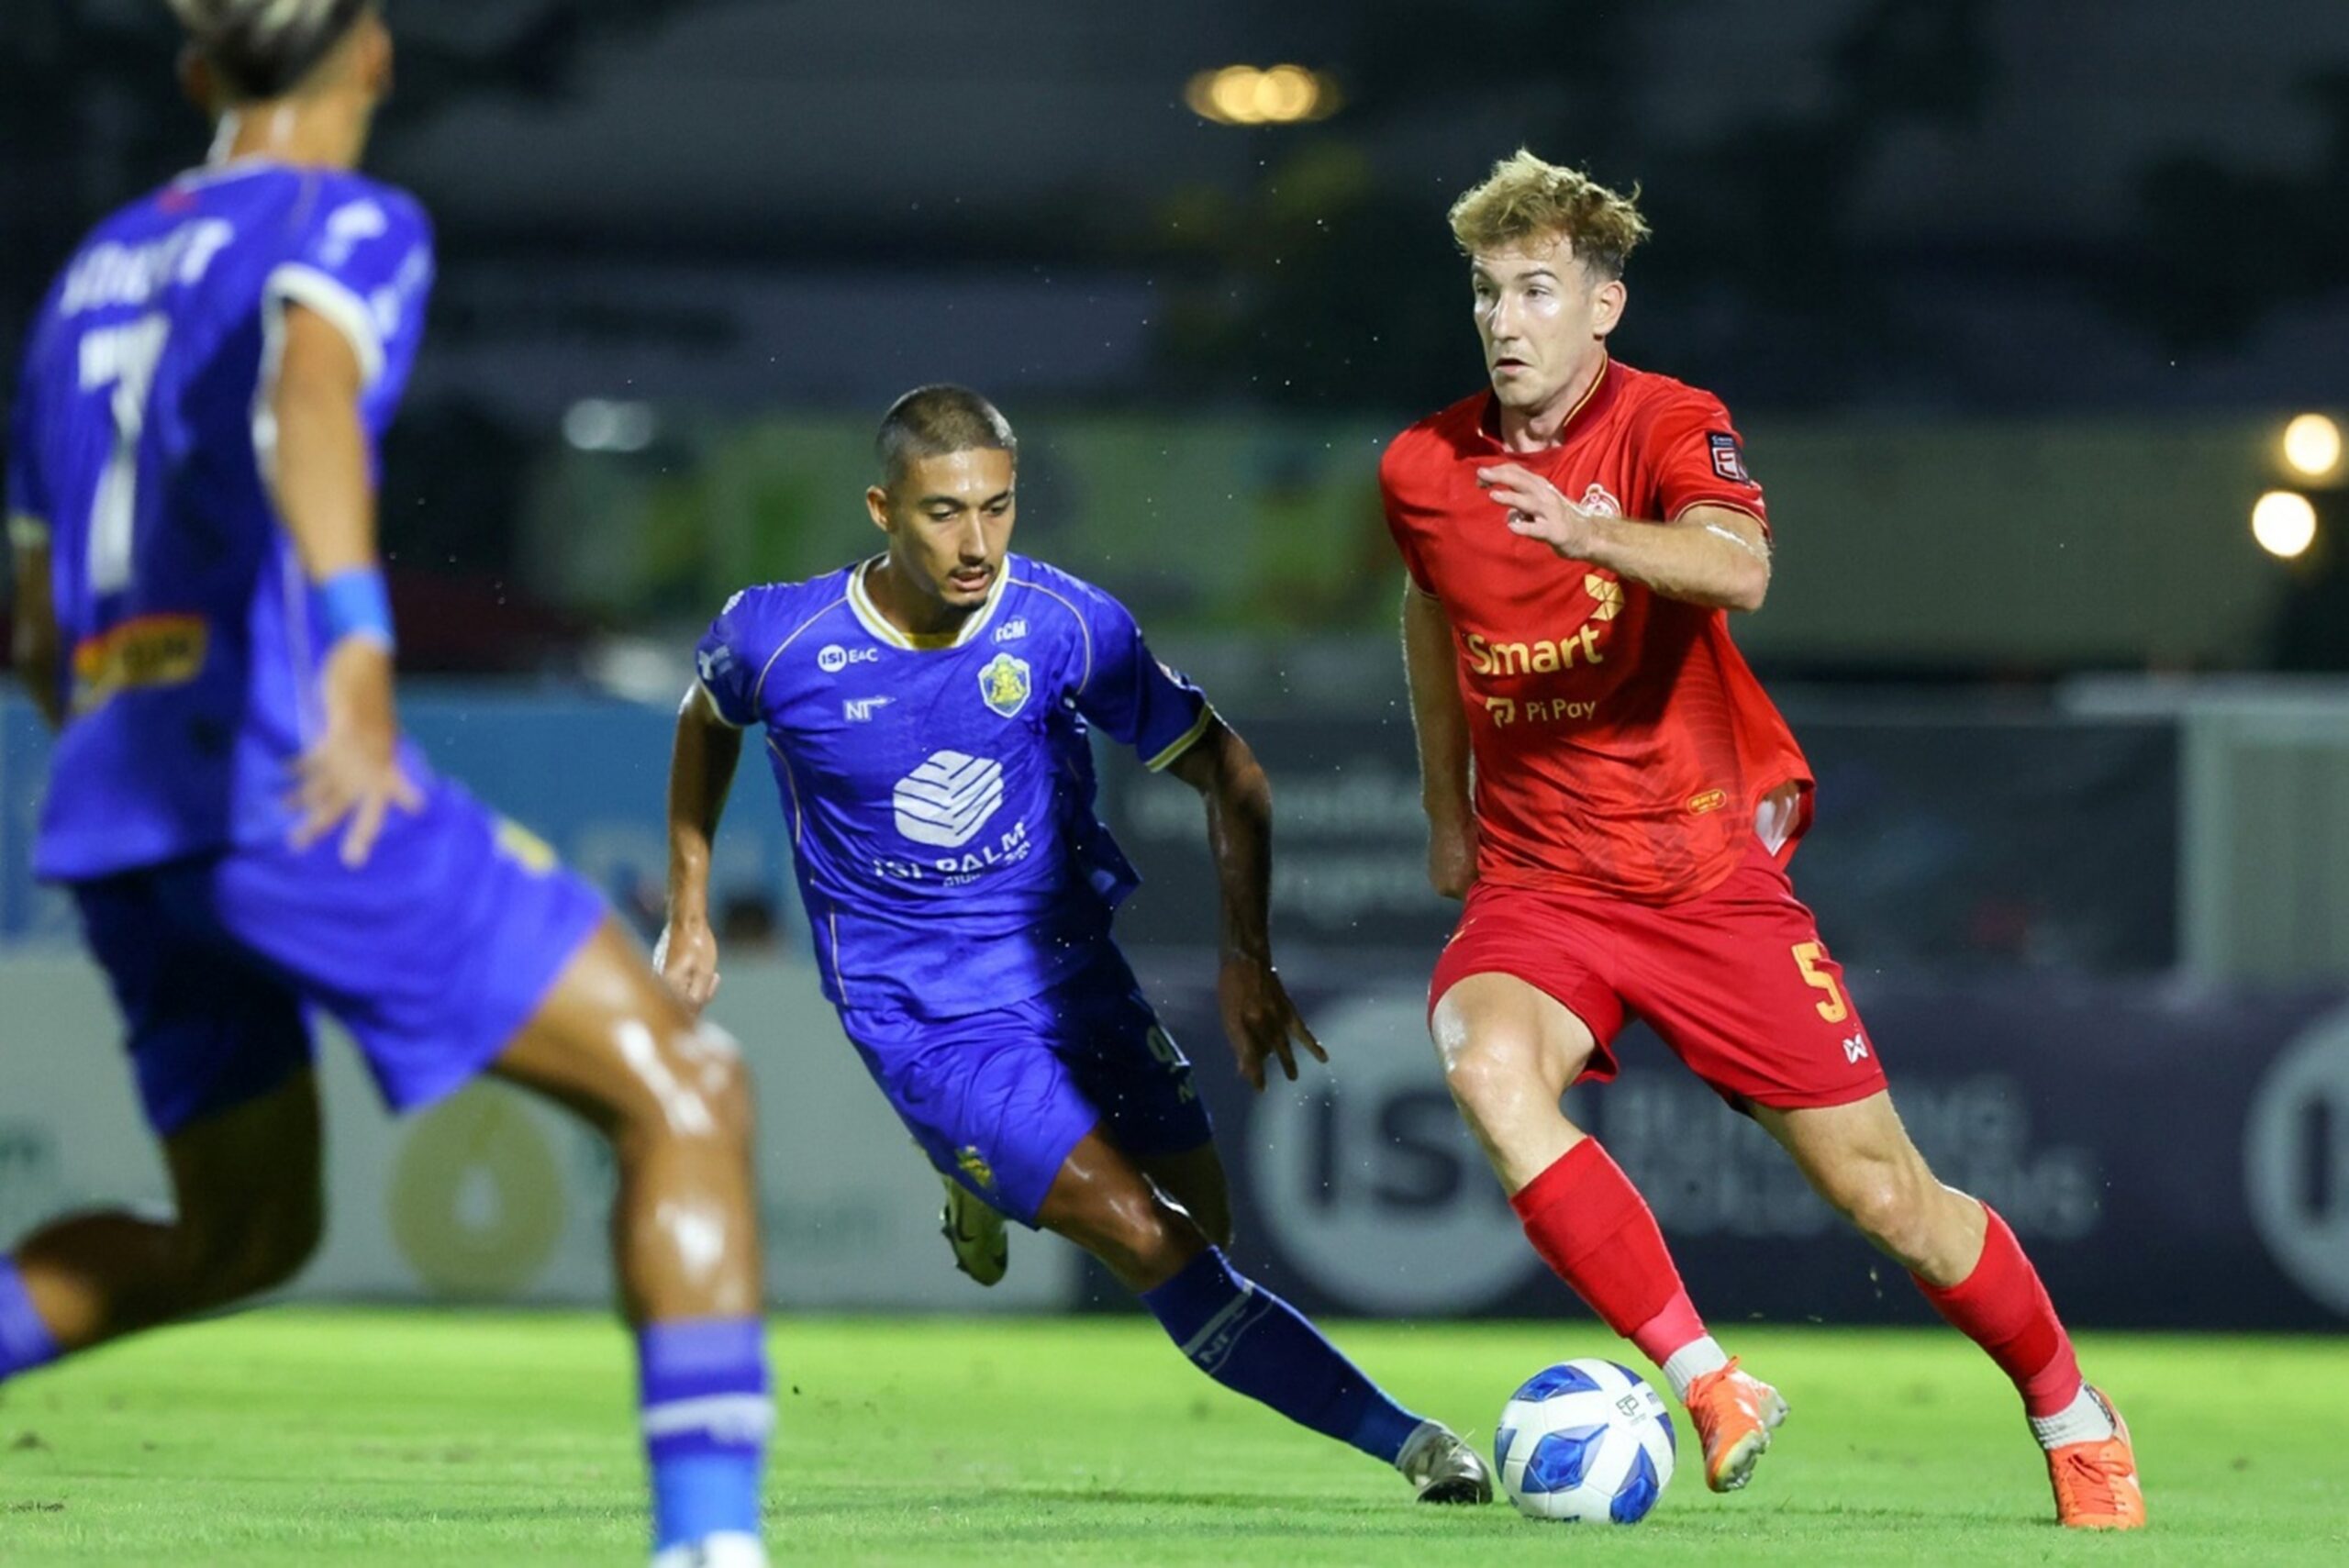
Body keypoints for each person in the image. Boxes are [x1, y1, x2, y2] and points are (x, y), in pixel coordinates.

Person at [0, 7, 770, 1563]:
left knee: (238, 1233)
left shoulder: (82, 282)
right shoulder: (344, 217)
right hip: (283, 774)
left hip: (113, 798)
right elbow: (306, 398)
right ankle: (711, 1548)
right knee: (688, 1092)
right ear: (376, 56)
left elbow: (28, 616)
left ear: (198, 72)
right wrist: (352, 660)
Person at [1380, 150, 2145, 1530]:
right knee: (1488, 1069)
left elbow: (1741, 565)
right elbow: (1433, 620)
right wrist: (1451, 813)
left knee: (1889, 1200)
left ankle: (2071, 1410)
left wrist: (1595, 534)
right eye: (1487, 291)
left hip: (1702, 881)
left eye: (1536, 289)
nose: (1503, 319)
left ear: (1602, 306)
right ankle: (1708, 1376)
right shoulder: (1424, 465)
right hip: (1544, 882)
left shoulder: (1673, 420)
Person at [658, 384, 1489, 1506]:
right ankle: (1413, 1443)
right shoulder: (780, 634)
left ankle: (980, 1184)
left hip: (1071, 973)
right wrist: (692, 904)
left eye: (998, 508)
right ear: (879, 508)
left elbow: (1229, 771)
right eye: (944, 512)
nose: (977, 543)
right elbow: (706, 720)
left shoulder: (1061, 623)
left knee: (1208, 1220)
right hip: (927, 1018)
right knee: (1152, 1238)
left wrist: (1250, 955)